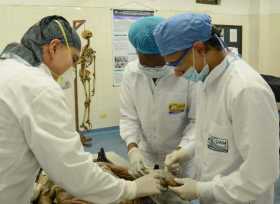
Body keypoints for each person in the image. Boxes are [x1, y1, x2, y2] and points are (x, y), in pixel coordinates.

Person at [0, 15, 161, 204]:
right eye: (74, 59)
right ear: (53, 47)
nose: (73, 68)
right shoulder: (38, 87)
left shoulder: (8, 70)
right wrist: (131, 188)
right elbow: (71, 169)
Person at [153, 12, 279, 204]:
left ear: (199, 49)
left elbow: (261, 174)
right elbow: (214, 136)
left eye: (176, 63)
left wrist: (202, 189)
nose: (176, 73)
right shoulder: (206, 81)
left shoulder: (246, 90)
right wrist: (186, 151)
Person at [120, 16, 197, 203]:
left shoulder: (187, 73)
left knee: (178, 199)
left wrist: (181, 152)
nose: (151, 67)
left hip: (179, 159)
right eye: (145, 61)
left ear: (167, 50)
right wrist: (132, 149)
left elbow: (197, 121)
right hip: (145, 157)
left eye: (157, 62)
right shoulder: (131, 73)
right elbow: (128, 117)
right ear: (137, 51)